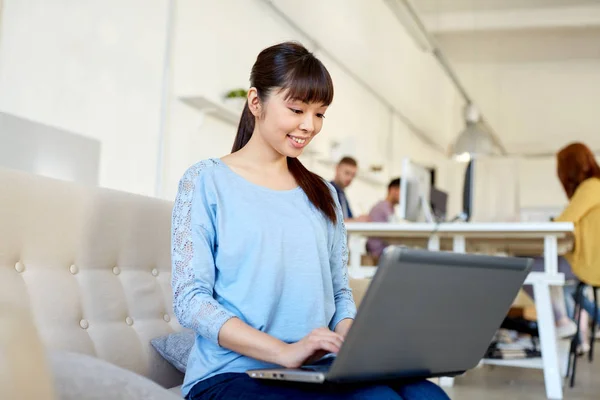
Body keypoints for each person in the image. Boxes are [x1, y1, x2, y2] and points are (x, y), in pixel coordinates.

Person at [171, 42, 449, 400]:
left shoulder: (323, 193)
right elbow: (190, 300)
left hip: (318, 367)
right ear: (255, 102)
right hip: (234, 372)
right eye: (297, 109)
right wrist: (283, 351)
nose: (309, 126)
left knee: (428, 396)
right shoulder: (205, 181)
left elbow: (339, 291)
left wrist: (350, 337)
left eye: (320, 114)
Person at [524, 142, 600, 350]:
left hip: (589, 264)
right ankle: (563, 323)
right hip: (587, 261)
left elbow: (563, 222)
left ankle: (560, 321)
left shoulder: (591, 186)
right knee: (548, 271)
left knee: (522, 266)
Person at [366, 178, 401, 260]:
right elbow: (392, 234)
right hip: (379, 254)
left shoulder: (389, 208)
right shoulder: (382, 207)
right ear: (393, 190)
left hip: (385, 252)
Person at [330, 156, 370, 222]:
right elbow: (332, 221)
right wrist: (356, 220)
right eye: (347, 173)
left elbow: (348, 218)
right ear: (337, 169)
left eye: (353, 175)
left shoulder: (342, 195)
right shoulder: (327, 191)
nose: (350, 178)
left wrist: (358, 220)